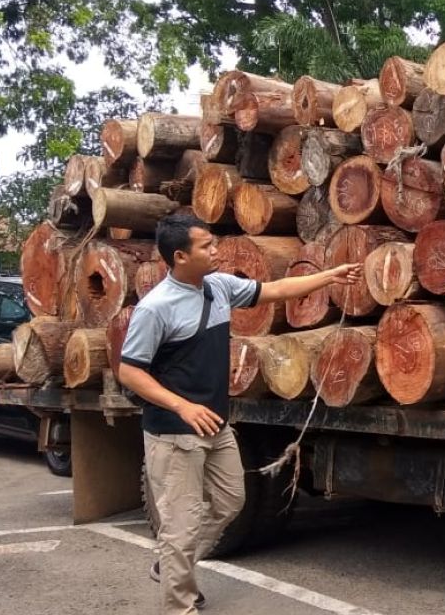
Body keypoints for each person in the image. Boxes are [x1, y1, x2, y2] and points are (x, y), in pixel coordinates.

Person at [117, 212, 361, 615]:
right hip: (174, 432)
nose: (216, 250)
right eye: (206, 246)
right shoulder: (156, 308)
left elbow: (277, 288)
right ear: (180, 256)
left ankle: (171, 563)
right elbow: (129, 370)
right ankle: (180, 605)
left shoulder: (218, 287)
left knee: (231, 502)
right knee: (181, 524)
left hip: (216, 424)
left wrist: (329, 276)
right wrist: (182, 405)